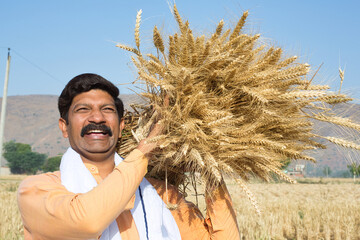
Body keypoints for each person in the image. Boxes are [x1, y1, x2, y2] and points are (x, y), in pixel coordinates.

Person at [17, 73, 240, 239]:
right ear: (64, 127)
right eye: (83, 110)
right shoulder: (38, 191)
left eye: (107, 109)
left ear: (121, 126)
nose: (97, 118)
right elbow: (87, 221)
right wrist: (144, 151)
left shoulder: (160, 194)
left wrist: (209, 163)